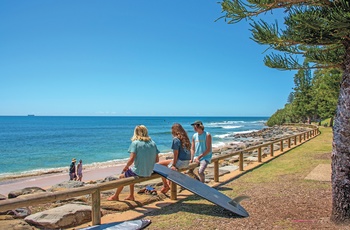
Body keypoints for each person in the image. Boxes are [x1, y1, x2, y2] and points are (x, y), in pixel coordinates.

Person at [108, 125, 160, 201]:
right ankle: (131, 195)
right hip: (149, 171)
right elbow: (157, 160)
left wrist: (126, 167)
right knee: (131, 172)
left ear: (136, 133)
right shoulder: (153, 143)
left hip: (139, 172)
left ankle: (115, 196)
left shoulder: (135, 143)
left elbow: (131, 159)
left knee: (122, 177)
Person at [158, 123, 191, 194]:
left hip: (180, 163)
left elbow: (176, 154)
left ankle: (166, 185)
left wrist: (173, 165)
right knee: (165, 163)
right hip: (186, 162)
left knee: (158, 166)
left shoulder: (176, 140)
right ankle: (167, 184)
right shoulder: (186, 139)